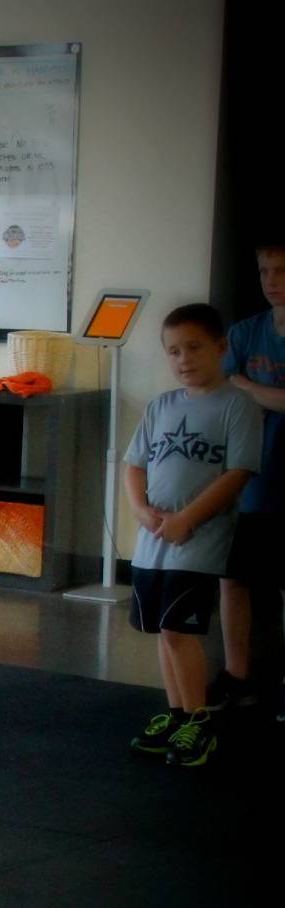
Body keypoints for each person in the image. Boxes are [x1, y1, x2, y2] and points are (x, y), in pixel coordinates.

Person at [125, 304, 261, 767]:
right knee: (163, 632)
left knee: (178, 630)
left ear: (220, 348)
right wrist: (140, 510)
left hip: (199, 542)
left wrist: (188, 519)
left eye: (194, 348)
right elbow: (134, 464)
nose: (184, 359)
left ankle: (200, 722)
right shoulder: (161, 405)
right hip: (154, 541)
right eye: (174, 351)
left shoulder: (237, 405)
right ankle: (179, 713)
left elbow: (237, 473)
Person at [218, 239, 285, 723]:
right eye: (264, 271)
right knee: (234, 578)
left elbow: (238, 386)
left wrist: (247, 386)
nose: (271, 281)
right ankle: (236, 675)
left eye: (281, 271)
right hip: (249, 479)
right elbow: (220, 389)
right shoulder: (245, 332)